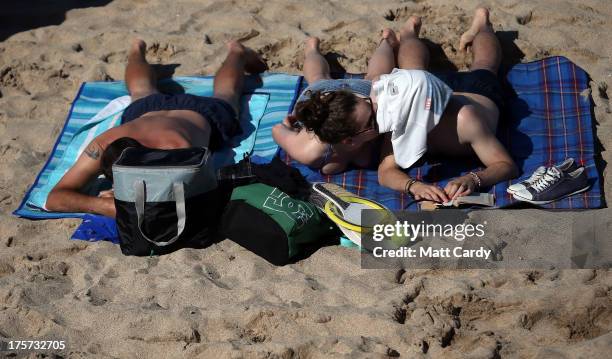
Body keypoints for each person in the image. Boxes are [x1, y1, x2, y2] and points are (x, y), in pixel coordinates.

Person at [278, 8, 518, 202]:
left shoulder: (466, 121)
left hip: (476, 94)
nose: (379, 104)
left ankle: (483, 23)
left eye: (370, 103)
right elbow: (386, 172)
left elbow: (505, 165)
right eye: (372, 112)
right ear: (350, 140)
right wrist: (413, 186)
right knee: (413, 68)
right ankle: (410, 35)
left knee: (485, 66)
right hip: (424, 94)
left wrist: (474, 179)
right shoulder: (393, 116)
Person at [46, 39, 267, 217]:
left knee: (226, 96)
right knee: (144, 92)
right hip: (160, 113)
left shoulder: (178, 152)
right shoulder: (103, 145)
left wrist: (110, 204)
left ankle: (136, 49)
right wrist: (103, 205)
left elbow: (186, 200)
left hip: (203, 114)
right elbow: (54, 198)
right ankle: (235, 51)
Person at [272, 29, 400, 175]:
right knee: (373, 76)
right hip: (338, 100)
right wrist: (285, 127)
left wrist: (287, 126)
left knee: (318, 78)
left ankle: (386, 41)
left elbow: (277, 130)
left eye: (371, 106)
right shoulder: (308, 151)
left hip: (350, 96)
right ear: (349, 141)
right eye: (372, 120)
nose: (379, 109)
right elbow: (276, 130)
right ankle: (385, 42)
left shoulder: (367, 114)